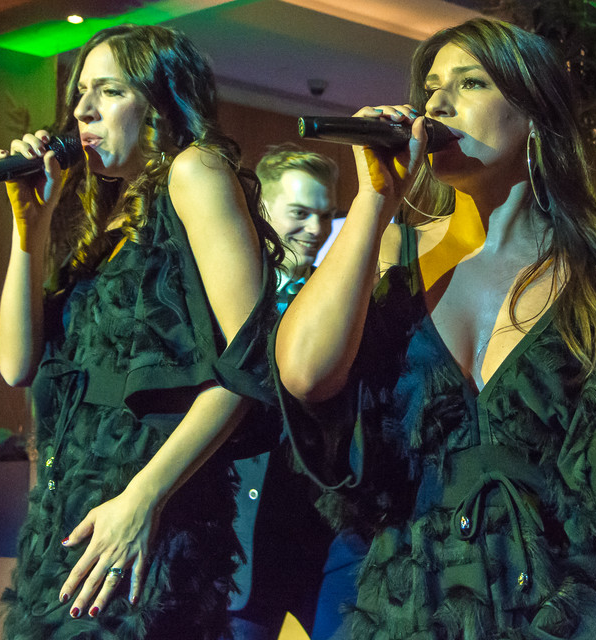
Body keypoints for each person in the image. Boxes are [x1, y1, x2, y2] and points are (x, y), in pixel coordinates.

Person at [273, 17, 596, 640]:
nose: (437, 104)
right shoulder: (391, 253)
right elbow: (305, 374)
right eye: (431, 88)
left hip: (566, 614)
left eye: (470, 83)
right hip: (413, 610)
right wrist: (376, 198)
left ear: (535, 116)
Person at [0, 25, 281, 639]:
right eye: (80, 93)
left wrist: (142, 498)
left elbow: (249, 360)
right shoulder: (109, 221)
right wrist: (30, 228)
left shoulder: (194, 172)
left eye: (109, 90)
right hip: (73, 523)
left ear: (160, 102)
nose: (83, 110)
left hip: (150, 523)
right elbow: (16, 364)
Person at [228, 146, 338, 639]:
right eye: (300, 212)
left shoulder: (339, 304)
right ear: (263, 209)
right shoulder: (228, 299)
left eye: (325, 215)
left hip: (324, 540)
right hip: (244, 543)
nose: (316, 229)